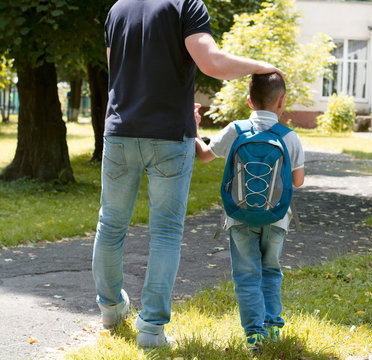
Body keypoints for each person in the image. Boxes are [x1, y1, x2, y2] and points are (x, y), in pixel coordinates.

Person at [93, 0, 283, 349]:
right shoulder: (186, 5)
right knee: (165, 231)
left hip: (120, 132)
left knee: (111, 224)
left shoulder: (117, 9)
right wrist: (261, 65)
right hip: (168, 137)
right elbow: (211, 63)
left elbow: (118, 75)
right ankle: (150, 330)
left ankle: (110, 310)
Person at [195, 72, 305, 351]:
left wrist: (195, 130)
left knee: (246, 274)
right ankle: (273, 327)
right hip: (277, 217)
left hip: (239, 216)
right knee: (271, 270)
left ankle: (254, 335)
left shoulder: (236, 130)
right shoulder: (289, 136)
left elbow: (205, 154)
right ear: (282, 101)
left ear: (249, 101)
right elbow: (298, 180)